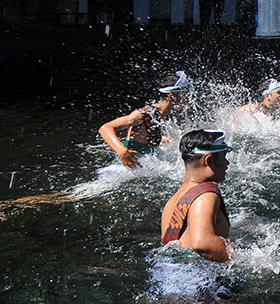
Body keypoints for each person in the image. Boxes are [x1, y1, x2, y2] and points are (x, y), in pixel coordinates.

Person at [160, 130, 232, 262]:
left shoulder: (172, 201)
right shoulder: (206, 195)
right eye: (224, 156)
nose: (227, 164)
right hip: (199, 277)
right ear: (209, 160)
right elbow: (202, 243)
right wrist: (242, 261)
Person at [98, 71, 192, 168]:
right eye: (184, 94)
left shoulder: (159, 115)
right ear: (172, 97)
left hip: (139, 170)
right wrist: (122, 151)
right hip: (121, 171)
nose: (188, 97)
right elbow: (105, 128)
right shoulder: (142, 115)